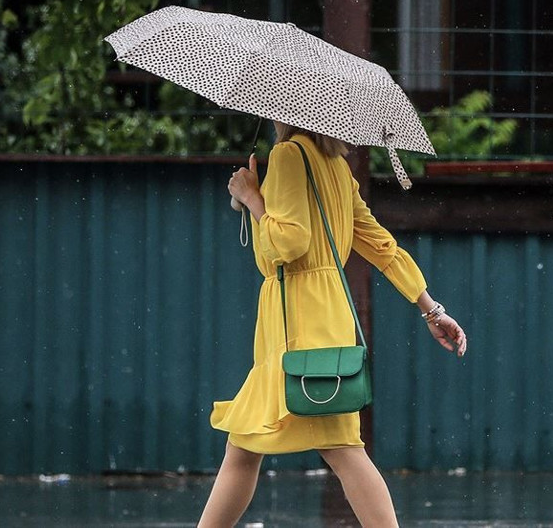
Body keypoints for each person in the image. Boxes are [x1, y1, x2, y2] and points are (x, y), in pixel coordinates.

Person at [199, 121, 468, 527]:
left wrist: (252, 198)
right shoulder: (335, 164)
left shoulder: (290, 156)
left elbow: (290, 243)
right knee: (257, 444)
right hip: (325, 315)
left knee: (328, 446)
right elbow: (379, 244)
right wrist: (430, 308)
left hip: (297, 321)